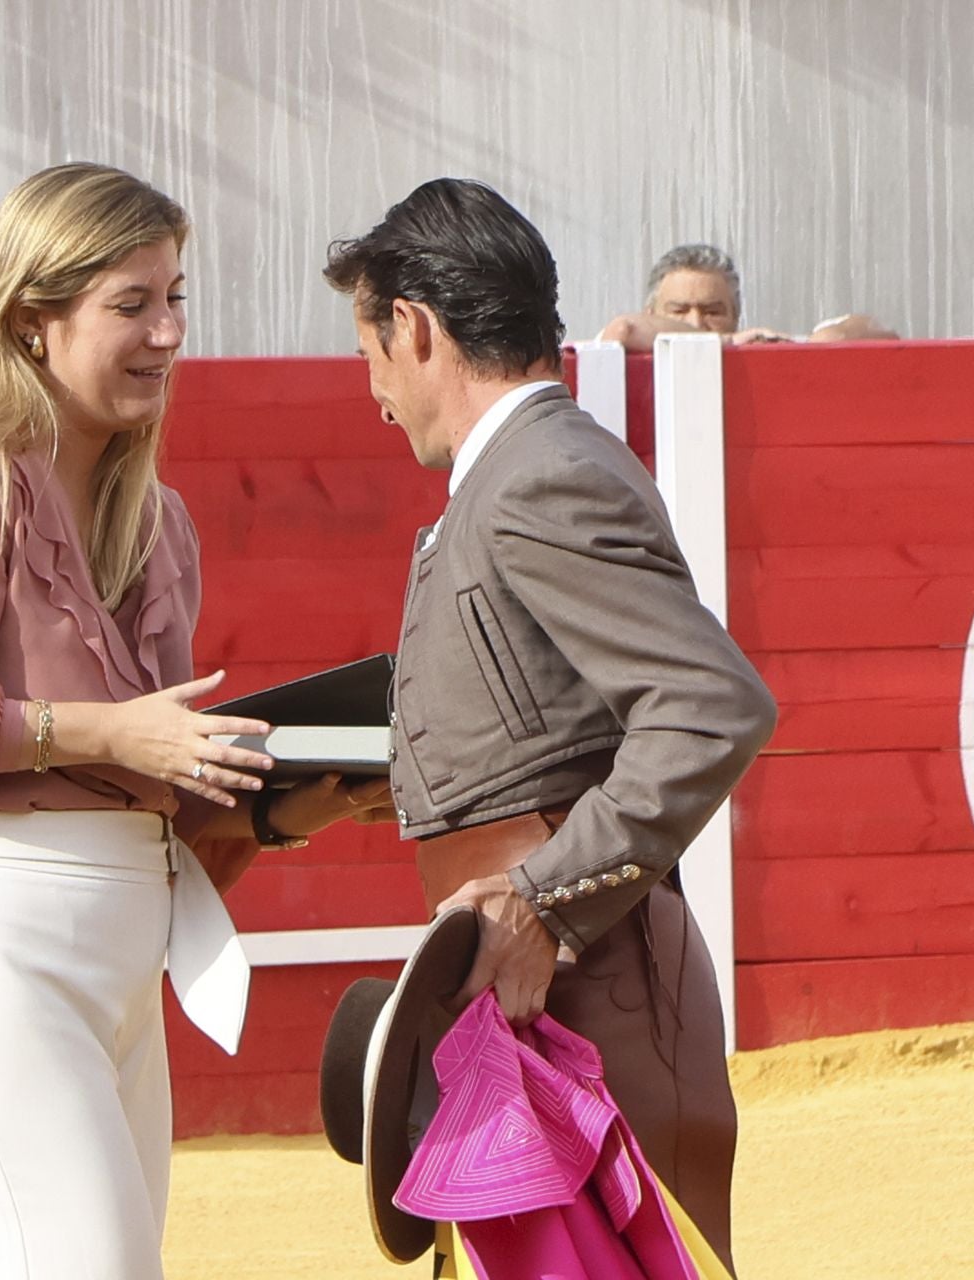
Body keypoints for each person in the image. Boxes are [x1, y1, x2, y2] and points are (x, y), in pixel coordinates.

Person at [0, 162, 387, 1279]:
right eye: (131, 304)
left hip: (122, 964)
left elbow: (155, 781)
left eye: (176, 297)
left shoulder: (158, 517)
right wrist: (109, 732)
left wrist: (295, 799)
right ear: (36, 319)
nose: (168, 331)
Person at [324, 179, 776, 1273]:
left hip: (585, 980)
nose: (376, 391)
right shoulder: (521, 476)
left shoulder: (537, 477)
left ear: (417, 329)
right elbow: (539, 727)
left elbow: (712, 703)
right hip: (539, 979)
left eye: (372, 350)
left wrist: (541, 900)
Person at [597, 242, 897, 347]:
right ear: (651, 313)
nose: (696, 322)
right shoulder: (625, 342)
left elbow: (881, 335)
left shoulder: (754, 348)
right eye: (679, 310)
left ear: (736, 315)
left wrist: (801, 345)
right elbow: (623, 330)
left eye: (713, 311)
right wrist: (724, 343)